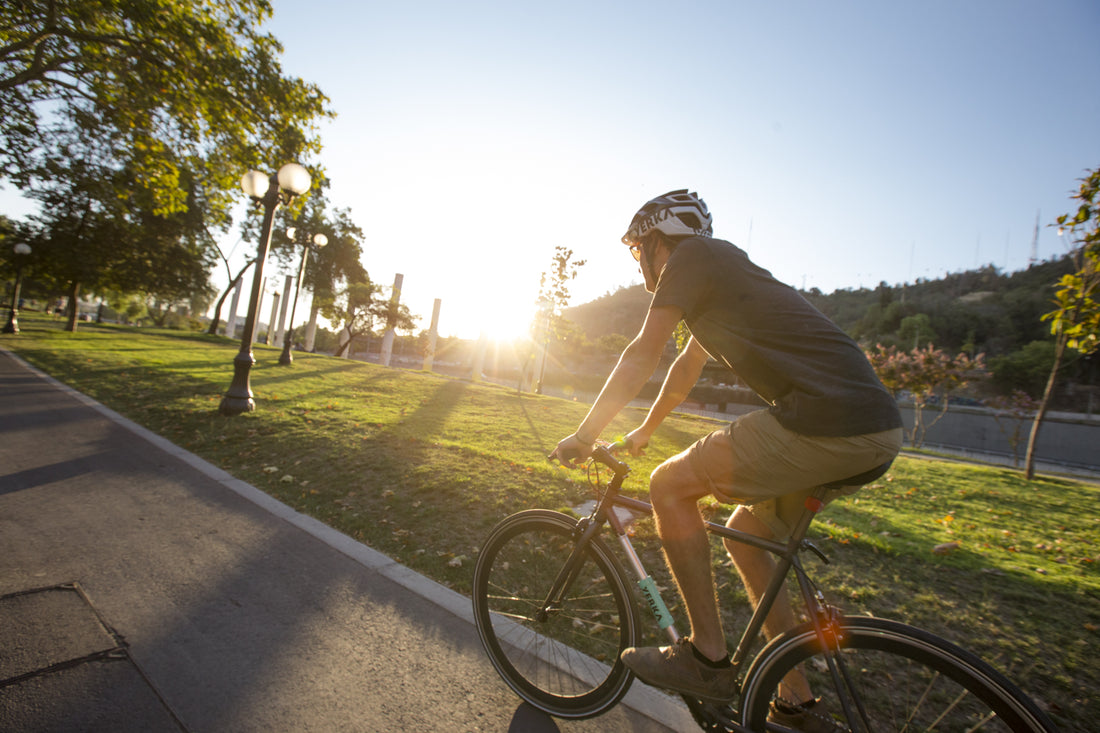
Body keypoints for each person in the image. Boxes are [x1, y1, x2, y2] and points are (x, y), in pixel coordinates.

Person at [550, 190, 902, 731]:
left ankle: (706, 658)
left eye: (638, 247)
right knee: (745, 535)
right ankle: (796, 702)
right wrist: (645, 429)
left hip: (824, 420)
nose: (638, 261)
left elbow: (644, 350)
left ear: (657, 240)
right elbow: (685, 368)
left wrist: (584, 434)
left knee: (668, 486)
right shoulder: (718, 278)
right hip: (874, 431)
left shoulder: (693, 257)